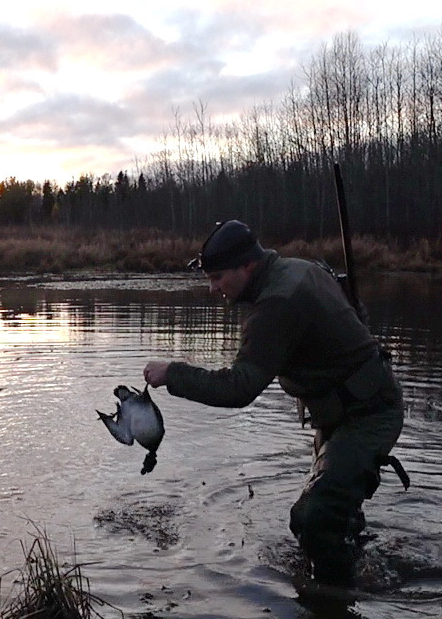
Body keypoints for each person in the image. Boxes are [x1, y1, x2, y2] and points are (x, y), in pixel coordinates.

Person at [143, 220, 403, 585]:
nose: (213, 287)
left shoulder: (277, 303)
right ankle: (353, 572)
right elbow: (356, 315)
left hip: (368, 413)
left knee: (312, 519)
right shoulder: (302, 268)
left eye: (218, 277)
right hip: (340, 412)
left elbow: (239, 388)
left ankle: (334, 603)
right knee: (338, 514)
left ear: (247, 266)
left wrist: (173, 373)